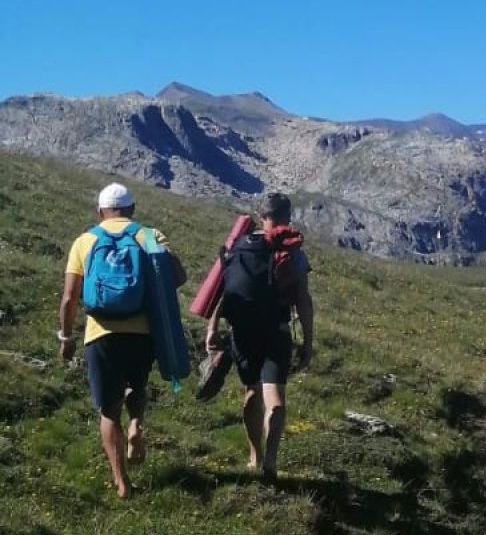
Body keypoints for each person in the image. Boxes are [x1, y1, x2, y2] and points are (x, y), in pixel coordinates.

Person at [57, 182, 187, 500]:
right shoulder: (149, 235)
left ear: (101, 210)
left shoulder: (85, 241)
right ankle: (137, 426)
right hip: (142, 333)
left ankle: (121, 482)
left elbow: (70, 297)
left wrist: (65, 336)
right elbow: (178, 278)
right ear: (131, 209)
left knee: (108, 409)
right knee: (137, 386)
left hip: (100, 334)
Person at [205, 192, 313, 481]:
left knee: (252, 391)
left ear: (261, 216)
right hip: (276, 330)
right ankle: (272, 460)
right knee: (275, 396)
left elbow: (223, 291)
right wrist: (308, 341)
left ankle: (255, 455)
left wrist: (212, 328)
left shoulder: (240, 246)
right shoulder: (292, 252)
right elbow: (302, 298)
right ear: (287, 217)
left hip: (243, 331)